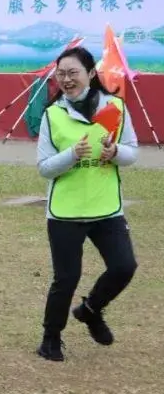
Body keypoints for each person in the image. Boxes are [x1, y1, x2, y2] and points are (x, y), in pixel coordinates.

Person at [35, 47, 138, 362]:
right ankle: (50, 339)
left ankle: (91, 310)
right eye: (61, 74)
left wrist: (115, 152)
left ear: (91, 74)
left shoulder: (115, 107)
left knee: (124, 266)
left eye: (73, 73)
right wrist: (71, 155)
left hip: (106, 208)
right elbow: (44, 168)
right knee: (66, 278)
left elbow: (132, 151)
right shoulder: (52, 114)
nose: (66, 80)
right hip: (65, 212)